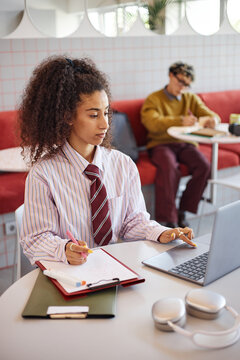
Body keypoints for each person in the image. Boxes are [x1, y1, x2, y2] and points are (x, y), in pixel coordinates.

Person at [18, 55, 195, 266]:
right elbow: (36, 240)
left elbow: (133, 222)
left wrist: (162, 233)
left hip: (114, 267)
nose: (105, 124)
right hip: (68, 273)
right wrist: (63, 249)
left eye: (107, 113)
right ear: (67, 116)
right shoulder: (43, 174)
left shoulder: (123, 164)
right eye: (94, 115)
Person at [141, 61, 220, 228]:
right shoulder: (154, 99)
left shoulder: (190, 98)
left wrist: (213, 120)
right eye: (181, 82)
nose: (183, 87)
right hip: (161, 143)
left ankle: (182, 210)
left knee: (204, 166)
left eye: (187, 85)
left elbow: (210, 114)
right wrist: (180, 120)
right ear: (171, 75)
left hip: (185, 143)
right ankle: (168, 220)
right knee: (169, 168)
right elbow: (152, 123)